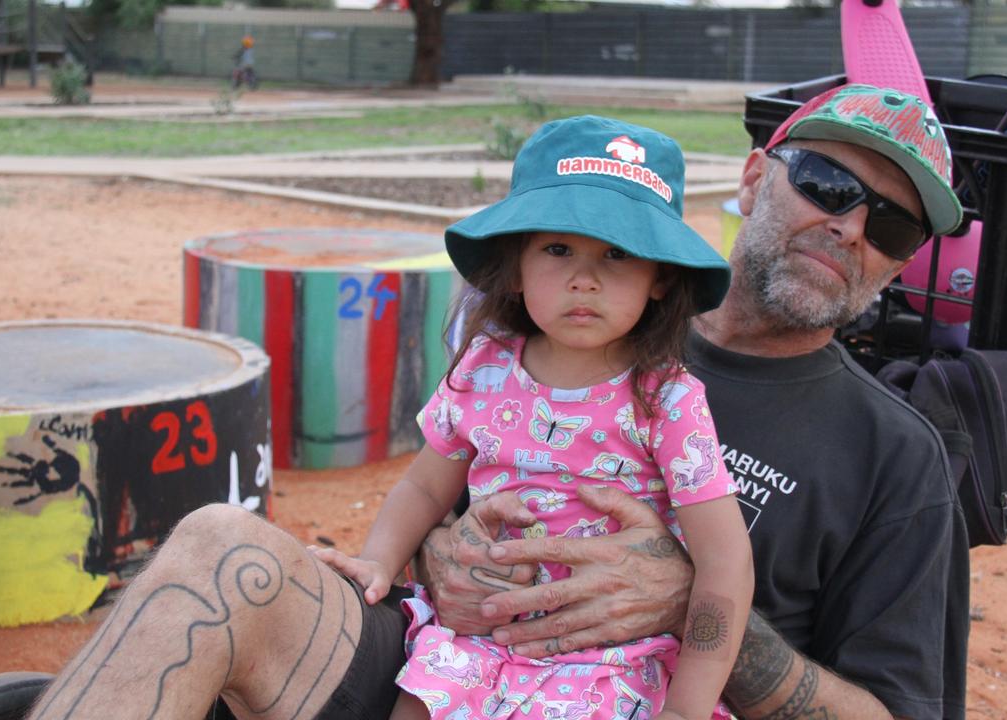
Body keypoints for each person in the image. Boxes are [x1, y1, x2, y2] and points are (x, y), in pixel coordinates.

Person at [26, 84, 968, 720]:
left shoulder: (894, 454)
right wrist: (413, 558)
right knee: (218, 549)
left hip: (622, 692)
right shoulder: (513, 348)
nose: (848, 225)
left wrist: (697, 616)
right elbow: (441, 478)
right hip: (454, 656)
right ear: (760, 175)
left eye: (891, 221)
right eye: (830, 183)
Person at [309, 115, 753, 720]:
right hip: (477, 642)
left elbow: (727, 560)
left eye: (618, 254)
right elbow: (421, 485)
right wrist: (379, 562)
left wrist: (687, 706)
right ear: (515, 266)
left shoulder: (668, 401)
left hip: (613, 661)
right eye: (558, 248)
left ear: (660, 279)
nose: (585, 279)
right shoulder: (483, 369)